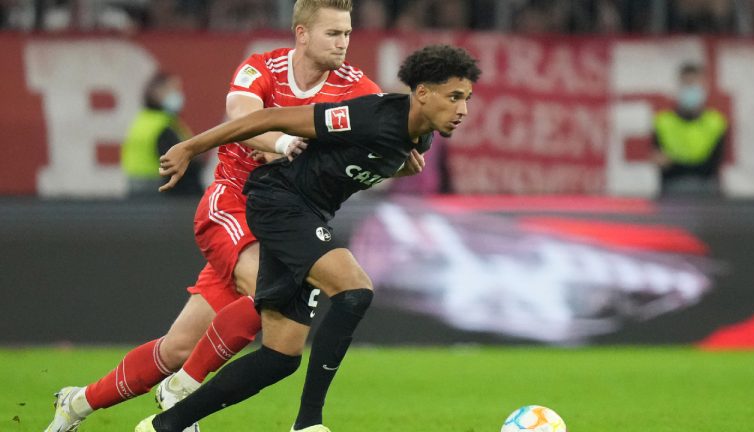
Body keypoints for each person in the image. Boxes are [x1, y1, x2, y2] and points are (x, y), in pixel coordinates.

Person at [44, 1, 383, 431]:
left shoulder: (356, 86)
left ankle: (76, 404)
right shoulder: (261, 68)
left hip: (287, 217)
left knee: (178, 348)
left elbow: (388, 125)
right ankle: (182, 389)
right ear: (301, 34)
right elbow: (242, 115)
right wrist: (279, 143)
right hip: (233, 204)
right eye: (333, 33)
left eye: (347, 33)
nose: (343, 43)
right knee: (272, 290)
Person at [135, 43, 481, 432]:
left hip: (306, 213)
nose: (463, 110)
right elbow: (270, 117)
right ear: (422, 93)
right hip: (278, 203)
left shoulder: (420, 139)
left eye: (466, 99)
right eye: (454, 97)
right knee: (355, 290)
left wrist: (399, 170)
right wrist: (190, 146)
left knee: (281, 356)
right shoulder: (371, 116)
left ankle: (164, 425)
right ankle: (308, 424)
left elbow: (353, 163)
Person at [651, 62, 728, 198]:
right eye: (686, 84)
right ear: (678, 87)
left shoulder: (716, 122)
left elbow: (711, 167)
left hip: (707, 191)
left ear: (704, 88)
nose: (690, 89)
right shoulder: (663, 122)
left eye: (694, 84)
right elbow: (661, 166)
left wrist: (674, 163)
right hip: (672, 191)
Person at [122, 72, 203, 198]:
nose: (178, 95)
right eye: (173, 90)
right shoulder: (162, 126)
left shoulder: (142, 121)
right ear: (157, 92)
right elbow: (179, 165)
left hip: (137, 192)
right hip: (158, 193)